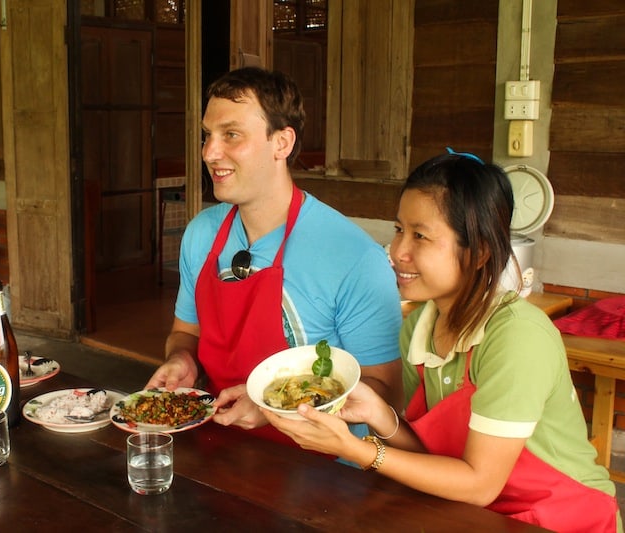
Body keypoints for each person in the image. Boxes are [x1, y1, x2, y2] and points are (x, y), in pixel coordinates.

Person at [263, 150, 621, 531]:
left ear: (479, 252)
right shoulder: (419, 327)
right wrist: (378, 415)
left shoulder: (516, 337)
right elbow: (431, 456)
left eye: (421, 236)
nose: (398, 251)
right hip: (476, 513)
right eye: (399, 229)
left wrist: (356, 449)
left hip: (561, 517)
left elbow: (480, 483)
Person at [145, 67, 403, 444]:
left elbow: (385, 391)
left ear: (281, 143)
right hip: (219, 442)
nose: (209, 152)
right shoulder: (201, 234)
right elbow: (186, 334)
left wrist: (273, 407)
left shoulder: (354, 256)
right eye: (207, 136)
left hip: (322, 470)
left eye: (231, 135)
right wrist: (182, 359)